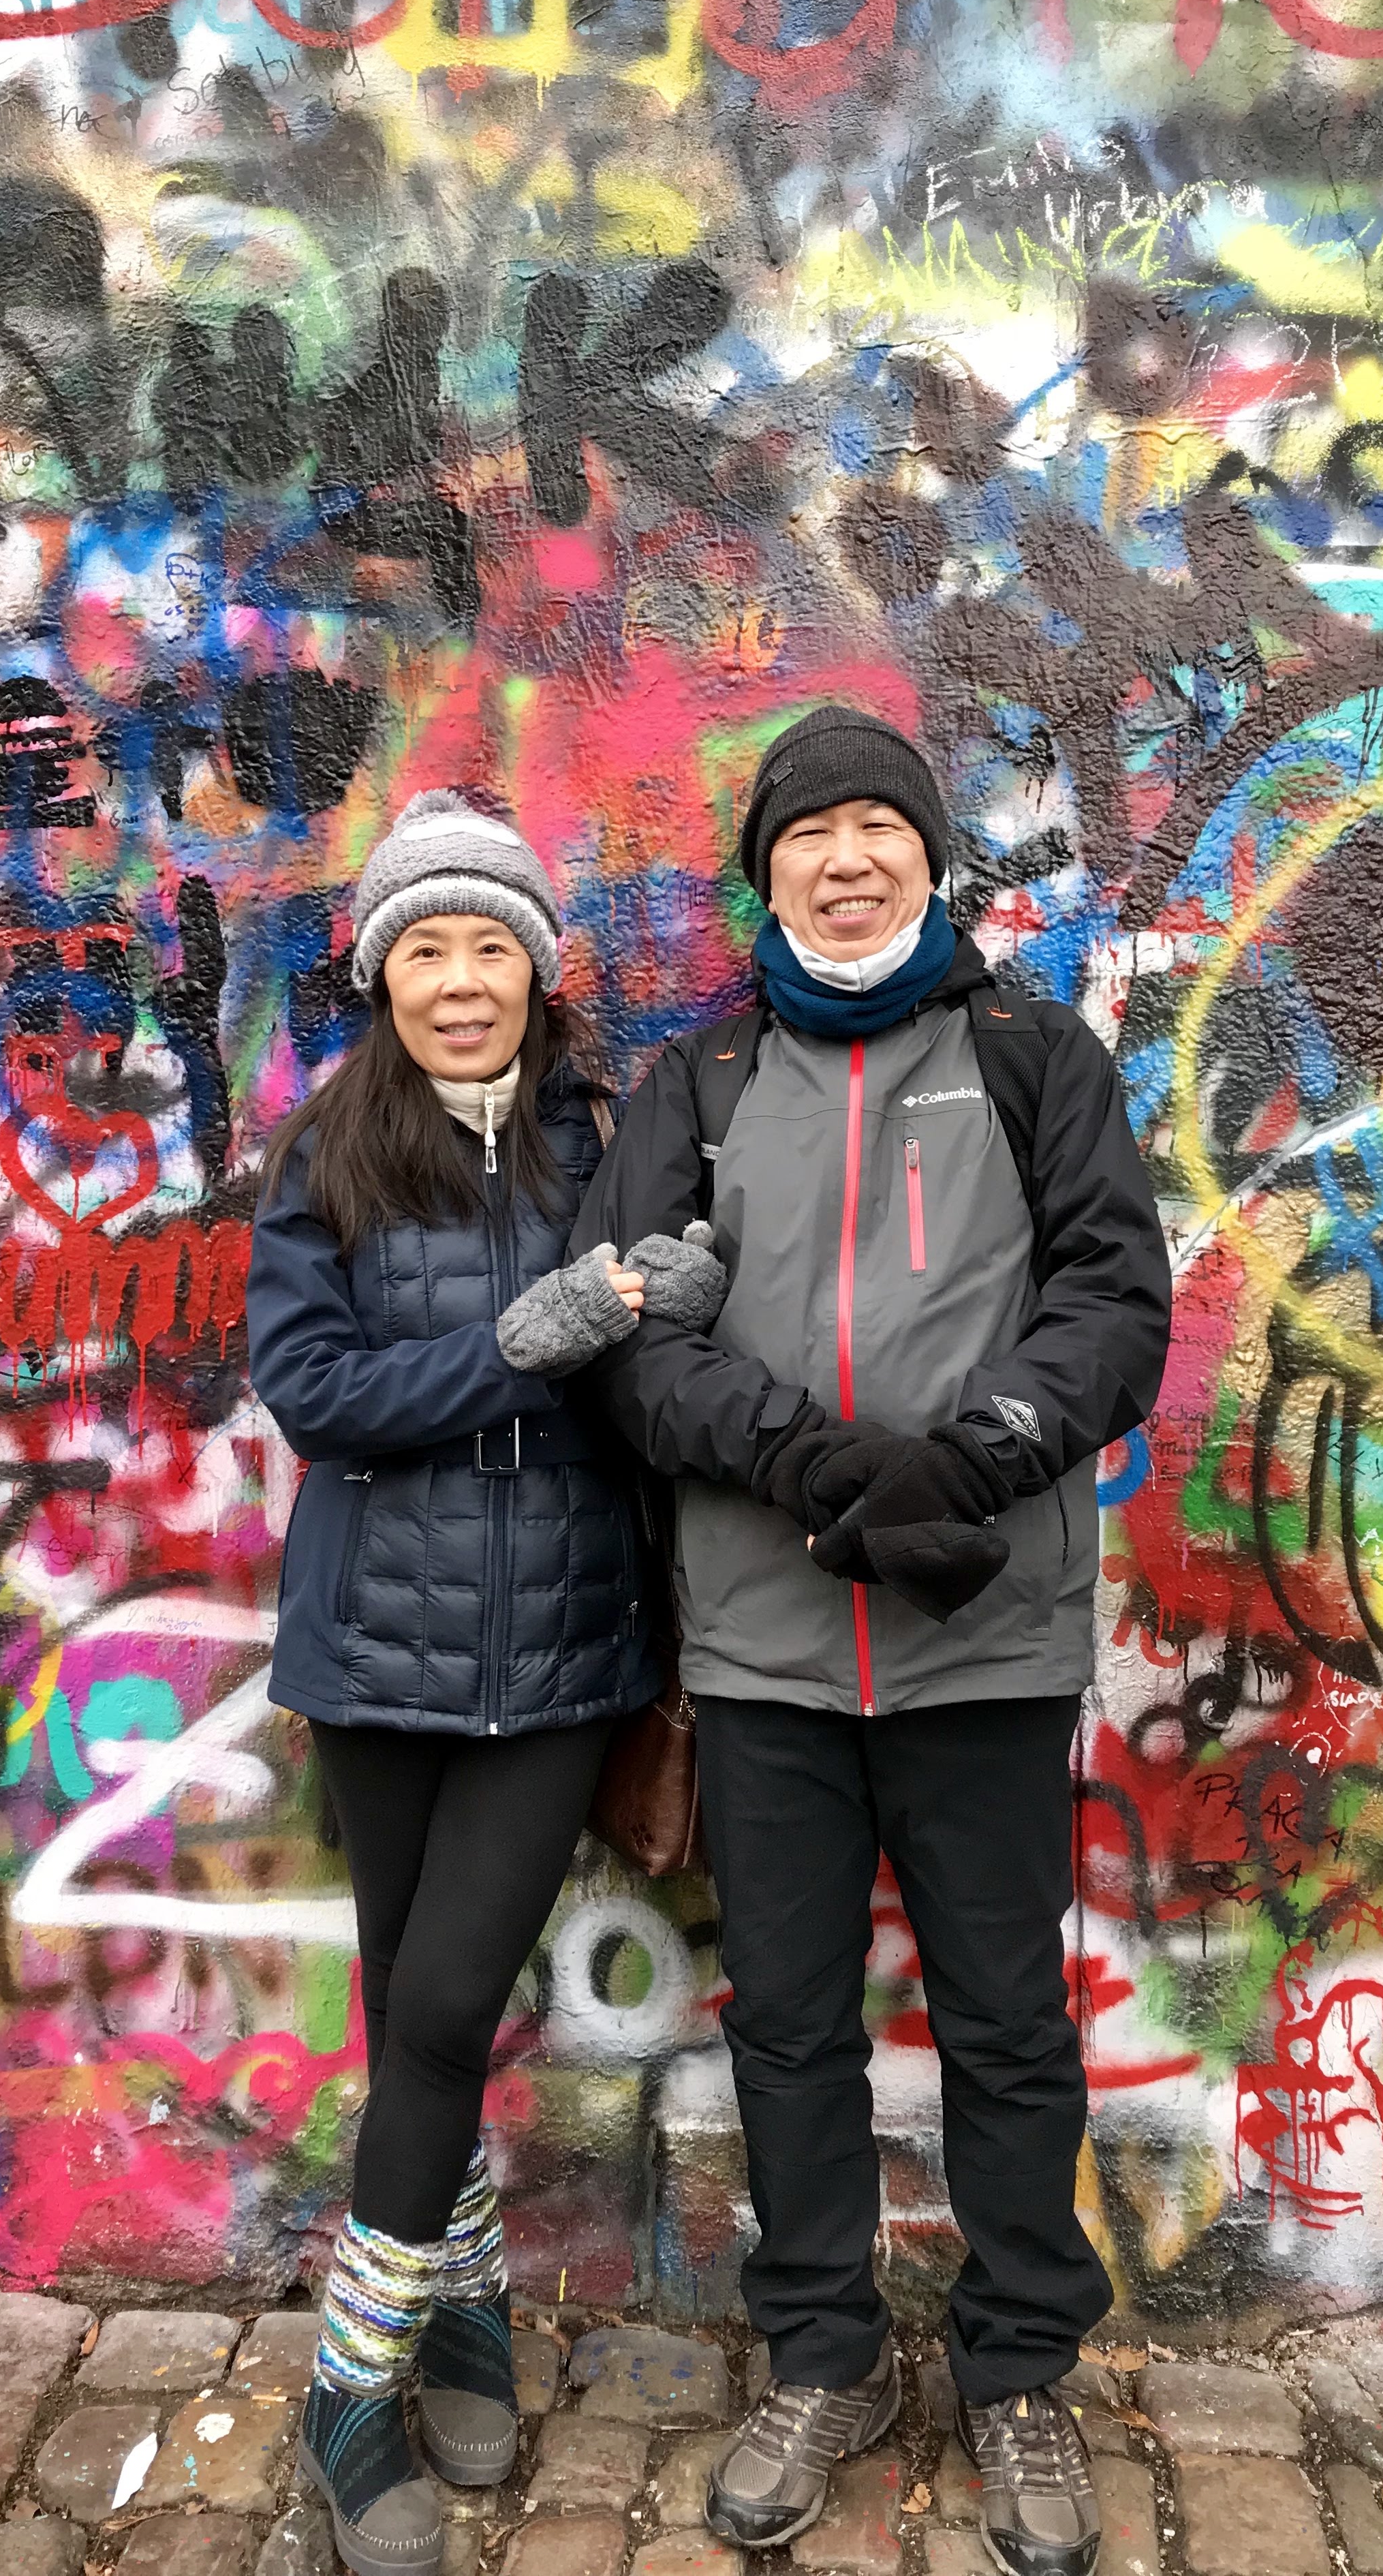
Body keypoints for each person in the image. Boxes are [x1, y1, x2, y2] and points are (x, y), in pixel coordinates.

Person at [570, 708, 1172, 2576]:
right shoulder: (699, 1079)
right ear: (766, 874)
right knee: (796, 2028)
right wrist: (814, 1457)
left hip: (982, 1645)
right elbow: (636, 1337)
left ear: (929, 858)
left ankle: (1015, 2371)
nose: (845, 859)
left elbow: (1115, 1298)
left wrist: (974, 1458)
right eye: (808, 834)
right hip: (761, 1654)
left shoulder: (1028, 1054)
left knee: (1005, 2026)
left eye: (876, 829)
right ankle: (819, 2353)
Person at [247, 789, 725, 2576]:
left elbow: (643, 1382)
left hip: (558, 1657)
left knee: (448, 2004)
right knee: (409, 2009)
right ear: (383, 976)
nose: (462, 980)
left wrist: (671, 1302)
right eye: (425, 949)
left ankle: (343, 2390)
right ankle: (450, 2317)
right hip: (374, 1649)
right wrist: (511, 1344)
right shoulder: (329, 1153)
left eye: (490, 946)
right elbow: (317, 1393)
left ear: (537, 966)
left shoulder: (604, 1140)